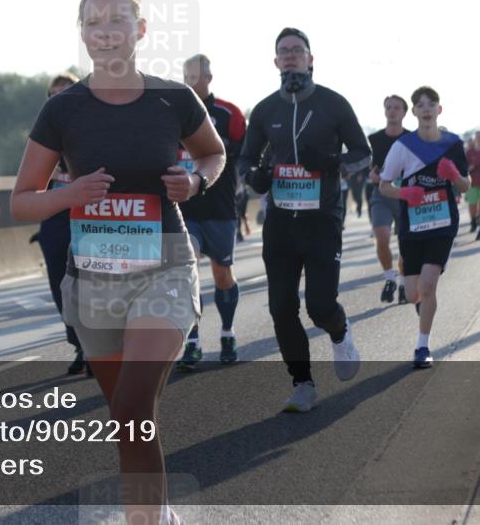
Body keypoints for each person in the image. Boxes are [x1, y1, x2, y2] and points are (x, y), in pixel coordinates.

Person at [11, 0, 225, 525]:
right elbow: (21, 202)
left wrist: (195, 183)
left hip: (165, 267)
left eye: (116, 21)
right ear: (81, 33)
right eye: (92, 22)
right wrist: (70, 194)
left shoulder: (173, 97)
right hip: (94, 279)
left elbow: (213, 154)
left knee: (131, 407)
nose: (104, 32)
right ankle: (156, 509)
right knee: (130, 417)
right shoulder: (63, 109)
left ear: (141, 30)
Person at [238, 27, 371, 413]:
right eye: (285, 51)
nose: (292, 56)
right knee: (281, 307)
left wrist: (332, 163)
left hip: (322, 221)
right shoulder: (264, 110)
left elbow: (363, 154)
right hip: (280, 222)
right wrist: (254, 177)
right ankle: (302, 383)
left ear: (311, 59)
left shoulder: (333, 104)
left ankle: (340, 330)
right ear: (276, 61)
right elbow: (246, 159)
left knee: (319, 305)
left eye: (298, 50)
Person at [379, 86, 470, 368]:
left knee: (429, 286)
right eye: (421, 105)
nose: (427, 108)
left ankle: (422, 347)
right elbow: (384, 186)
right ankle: (421, 304)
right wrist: (406, 194)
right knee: (412, 294)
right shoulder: (403, 147)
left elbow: (466, 185)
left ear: (439, 110)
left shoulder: (453, 144)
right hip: (413, 226)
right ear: (415, 112)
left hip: (443, 222)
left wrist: (453, 174)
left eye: (432, 104)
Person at [176, 53, 247, 368]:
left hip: (220, 208)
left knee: (222, 274)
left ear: (208, 77)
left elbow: (245, 156)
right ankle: (192, 341)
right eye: (186, 75)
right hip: (184, 208)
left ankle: (228, 332)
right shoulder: (173, 113)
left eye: (195, 75)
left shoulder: (229, 113)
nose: (190, 81)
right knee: (185, 270)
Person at [34, 72, 92, 376]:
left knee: (92, 285)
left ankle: (98, 345)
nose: (59, 100)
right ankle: (79, 346)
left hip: (92, 217)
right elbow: (32, 181)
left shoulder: (96, 126)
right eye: (53, 95)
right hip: (56, 219)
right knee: (62, 287)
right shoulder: (44, 133)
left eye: (66, 93)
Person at [367, 96, 411, 304]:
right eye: (389, 108)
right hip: (382, 194)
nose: (392, 111)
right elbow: (372, 166)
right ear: (384, 111)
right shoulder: (375, 138)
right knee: (381, 237)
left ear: (404, 112)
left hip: (405, 196)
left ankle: (403, 282)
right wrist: (372, 175)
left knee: (405, 244)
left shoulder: (412, 138)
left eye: (397, 108)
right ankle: (389, 279)